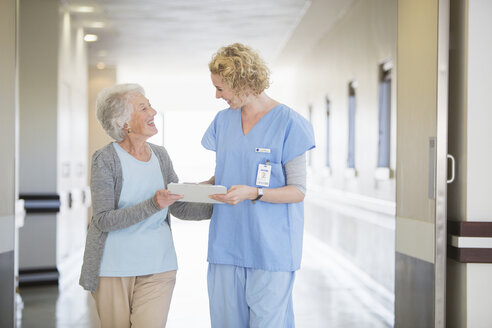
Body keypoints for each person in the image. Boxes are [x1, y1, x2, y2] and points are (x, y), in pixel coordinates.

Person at [79, 83, 212, 328]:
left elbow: (177, 205)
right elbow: (103, 219)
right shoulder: (106, 159)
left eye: (149, 105)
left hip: (159, 265)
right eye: (143, 107)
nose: (153, 111)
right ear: (123, 122)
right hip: (113, 268)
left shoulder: (160, 155)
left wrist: (215, 198)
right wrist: (153, 204)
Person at [201, 43, 315, 327]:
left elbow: (297, 191)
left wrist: (255, 192)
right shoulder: (223, 121)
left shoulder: (290, 123)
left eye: (221, 88)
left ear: (242, 82)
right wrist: (198, 188)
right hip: (226, 244)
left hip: (270, 248)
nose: (217, 96)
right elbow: (225, 173)